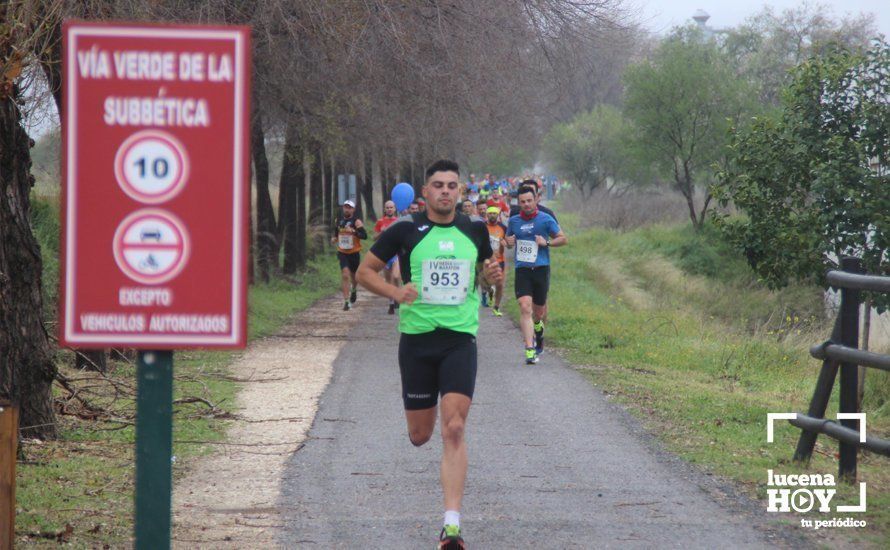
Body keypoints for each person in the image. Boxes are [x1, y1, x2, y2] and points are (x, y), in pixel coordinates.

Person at [356, 159, 502, 550]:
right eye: (438, 185)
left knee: (454, 428)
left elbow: (484, 276)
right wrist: (394, 292)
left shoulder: (473, 230)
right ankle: (425, 421)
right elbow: (364, 272)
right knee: (420, 435)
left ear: (460, 192)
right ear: (425, 192)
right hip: (417, 341)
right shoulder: (406, 230)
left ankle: (451, 526)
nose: (445, 192)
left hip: (459, 339)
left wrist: (490, 280)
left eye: (452, 186)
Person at [505, 187, 567, 364]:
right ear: (519, 203)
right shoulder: (514, 221)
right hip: (522, 269)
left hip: (541, 269)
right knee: (525, 307)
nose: (526, 204)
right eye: (522, 202)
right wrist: (507, 243)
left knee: (539, 313)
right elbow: (509, 242)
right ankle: (529, 348)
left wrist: (546, 242)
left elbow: (563, 239)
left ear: (535, 200)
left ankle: (539, 331)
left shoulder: (546, 219)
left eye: (529, 201)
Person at [331, 200, 367, 311]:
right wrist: (334, 239)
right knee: (345, 275)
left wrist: (354, 232)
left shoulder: (356, 222)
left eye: (349, 207)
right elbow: (336, 234)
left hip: (354, 252)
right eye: (345, 207)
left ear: (353, 209)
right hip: (342, 252)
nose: (347, 209)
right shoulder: (338, 221)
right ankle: (346, 302)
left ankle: (354, 290)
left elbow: (364, 236)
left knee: (354, 276)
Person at [375, 200, 402, 314]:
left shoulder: (399, 221)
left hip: (396, 254)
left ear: (395, 209)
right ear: (384, 209)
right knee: (388, 279)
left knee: (396, 276)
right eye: (387, 208)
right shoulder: (380, 222)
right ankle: (391, 303)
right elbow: (374, 238)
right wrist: (381, 232)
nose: (389, 209)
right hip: (385, 255)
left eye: (391, 207)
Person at [483, 206, 507, 315]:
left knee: (500, 284)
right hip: (485, 260)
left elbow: (506, 245)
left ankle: (496, 307)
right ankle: (489, 291)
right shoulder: (482, 227)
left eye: (494, 213)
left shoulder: (503, 227)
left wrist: (503, 245)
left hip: (499, 259)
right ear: (487, 215)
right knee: (488, 282)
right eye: (490, 213)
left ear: (498, 215)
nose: (492, 215)